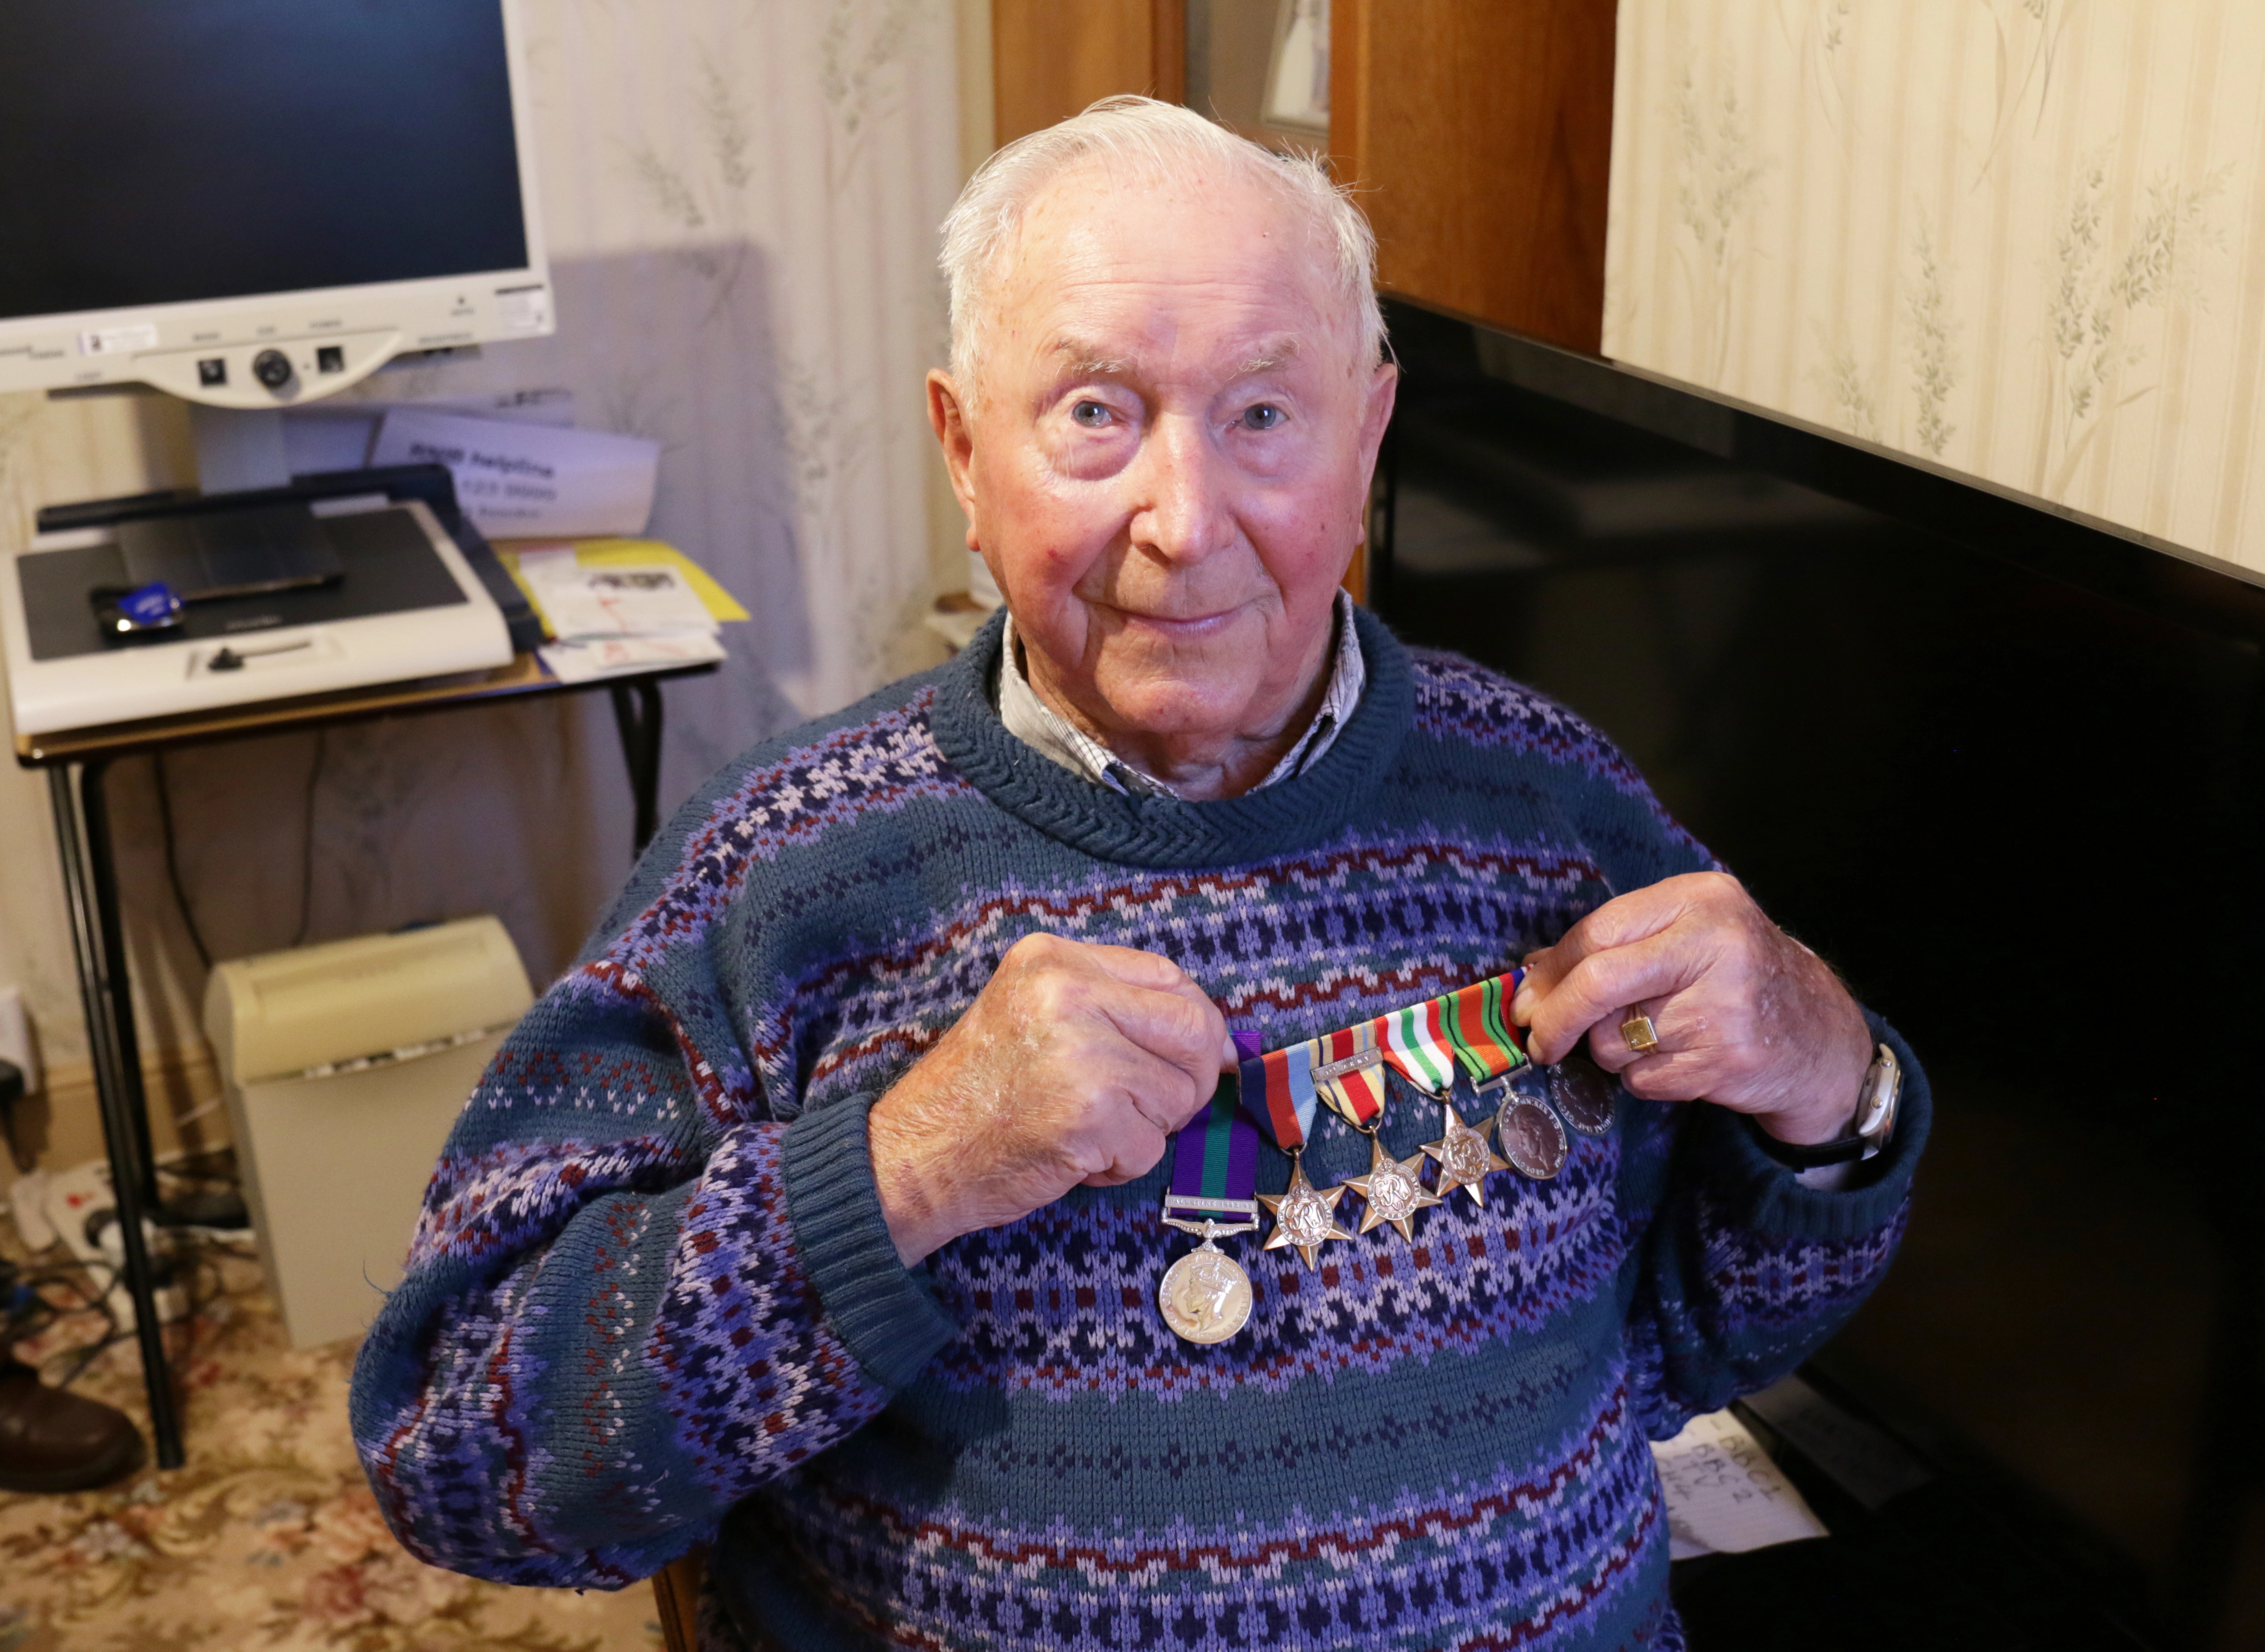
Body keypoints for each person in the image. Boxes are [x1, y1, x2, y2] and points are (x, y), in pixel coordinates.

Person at [351, 96, 1928, 1651]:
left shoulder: (1560, 802)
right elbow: (464, 1461)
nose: (1186, 524)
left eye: (1262, 414)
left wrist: (1832, 1079)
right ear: (966, 452)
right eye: (1097, 413)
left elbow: (1696, 1342)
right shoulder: (788, 869)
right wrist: (901, 1166)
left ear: (1369, 436)